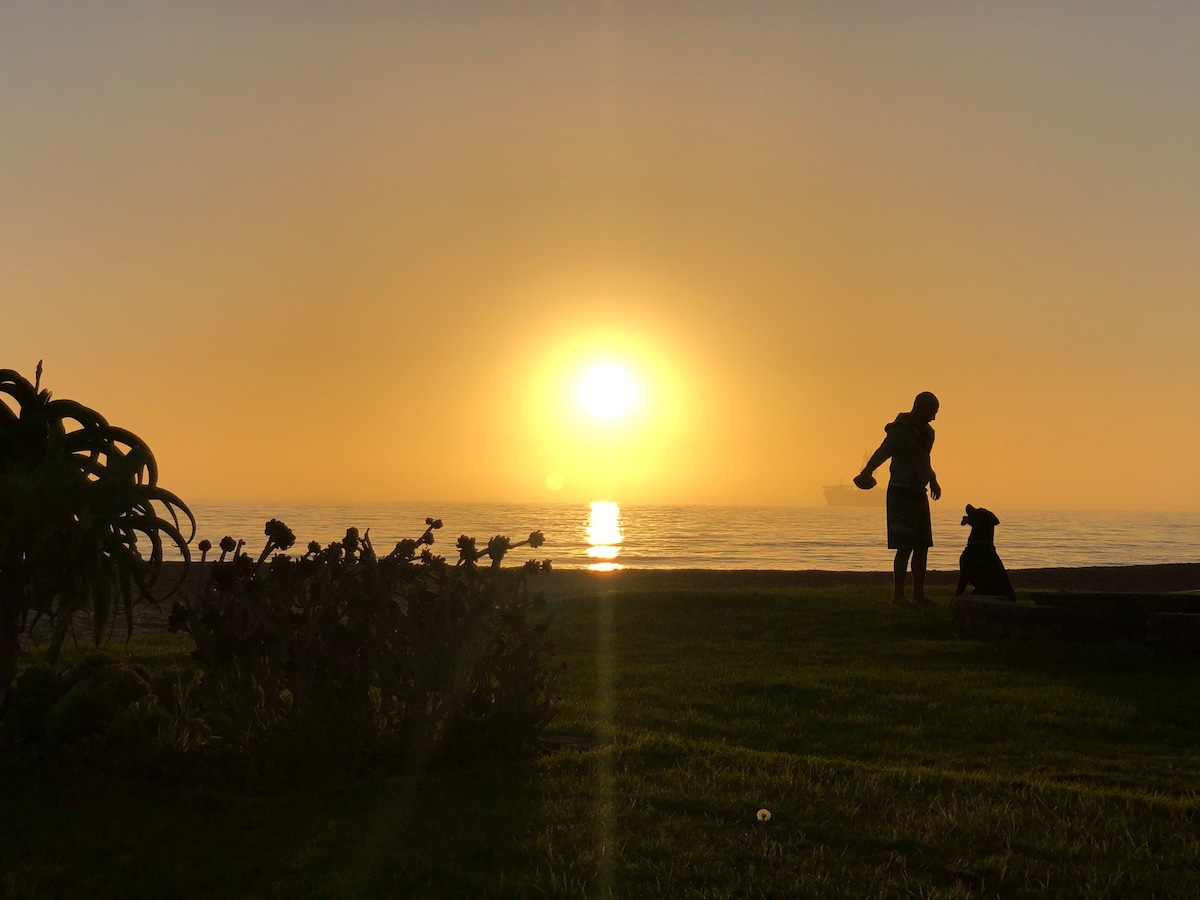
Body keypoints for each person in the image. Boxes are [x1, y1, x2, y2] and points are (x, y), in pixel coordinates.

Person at [856, 391, 942, 604]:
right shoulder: (899, 432)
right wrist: (866, 472)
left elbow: (925, 460)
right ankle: (899, 596)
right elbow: (882, 452)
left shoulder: (928, 433)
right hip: (900, 492)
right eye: (931, 412)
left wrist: (933, 479)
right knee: (904, 546)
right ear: (919, 408)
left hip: (919, 492)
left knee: (922, 546)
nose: (933, 418)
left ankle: (919, 594)